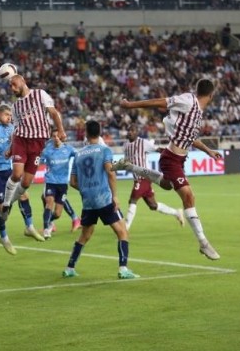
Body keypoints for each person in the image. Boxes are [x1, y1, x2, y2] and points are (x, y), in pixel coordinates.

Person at [113, 79, 221, 260]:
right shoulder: (189, 101)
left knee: (166, 185)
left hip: (179, 160)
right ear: (211, 95)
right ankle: (203, 243)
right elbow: (159, 102)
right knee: (189, 196)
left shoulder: (197, 113)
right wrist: (130, 105)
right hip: (171, 159)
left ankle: (130, 166)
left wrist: (209, 151)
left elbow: (190, 138)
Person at [62, 121, 138, 279]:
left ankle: (70, 267)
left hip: (88, 201)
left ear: (86, 134)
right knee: (122, 231)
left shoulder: (78, 154)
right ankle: (123, 269)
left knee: (85, 234)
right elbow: (110, 173)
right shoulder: (105, 150)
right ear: (100, 132)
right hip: (104, 198)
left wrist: (86, 190)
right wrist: (115, 196)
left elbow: (73, 182)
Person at [0, 104, 41, 254]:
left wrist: (11, 150)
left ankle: (29, 227)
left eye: (10, 116)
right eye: (6, 115)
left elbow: (15, 143)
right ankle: (4, 238)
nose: (9, 118)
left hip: (7, 169)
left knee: (23, 194)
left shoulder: (12, 128)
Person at [0, 74, 66, 224]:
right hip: (21, 140)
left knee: (26, 183)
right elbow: (16, 128)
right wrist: (11, 147)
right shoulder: (15, 106)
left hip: (37, 144)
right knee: (17, 174)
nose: (12, 87)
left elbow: (54, 113)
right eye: (10, 86)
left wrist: (61, 130)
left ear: (22, 80)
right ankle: (5, 205)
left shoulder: (40, 94)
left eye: (13, 83)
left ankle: (9, 203)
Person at [121, 124, 184, 231]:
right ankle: (177, 212)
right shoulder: (125, 146)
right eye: (129, 130)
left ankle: (125, 229)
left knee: (133, 199)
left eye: (132, 130)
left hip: (144, 177)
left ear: (137, 133)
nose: (130, 132)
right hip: (138, 178)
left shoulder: (143, 143)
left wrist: (172, 153)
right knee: (153, 205)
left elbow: (158, 149)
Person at [39, 128, 81, 240]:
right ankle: (46, 229)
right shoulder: (47, 151)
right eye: (54, 136)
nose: (56, 138)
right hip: (50, 182)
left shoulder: (68, 149)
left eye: (58, 136)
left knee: (57, 213)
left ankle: (50, 222)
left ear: (61, 137)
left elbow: (79, 155)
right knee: (49, 203)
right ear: (52, 138)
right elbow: (38, 161)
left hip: (62, 184)